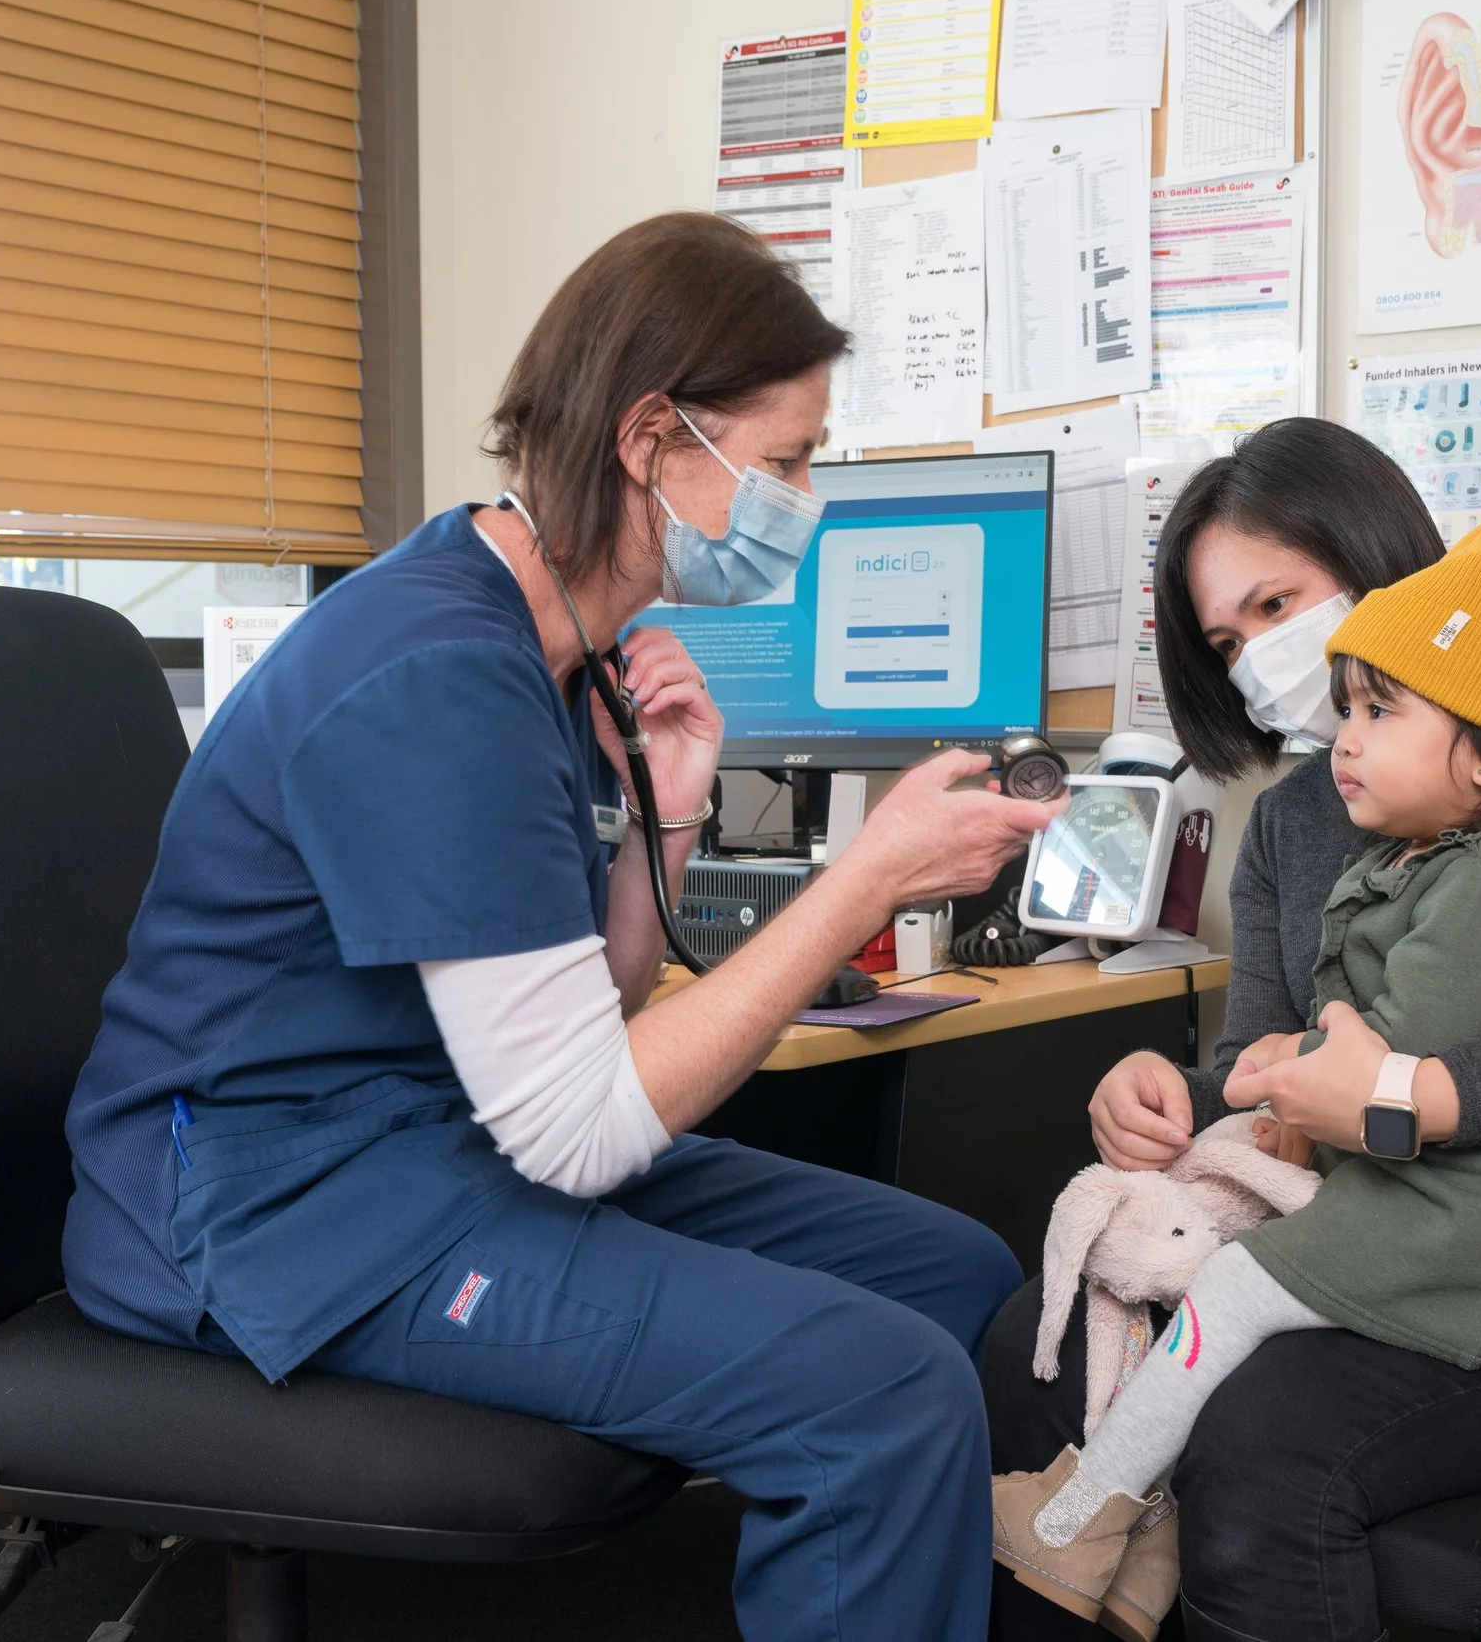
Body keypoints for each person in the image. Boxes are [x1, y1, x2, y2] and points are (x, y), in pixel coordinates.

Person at [59, 212, 1061, 1642]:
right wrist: (863, 878)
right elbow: (581, 1127)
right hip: (264, 1207)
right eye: (782, 460)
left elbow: (584, 1015)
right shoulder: (439, 673)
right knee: (879, 1392)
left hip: (433, 1145)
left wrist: (667, 817)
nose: (804, 500)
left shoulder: (545, 643)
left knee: (952, 1274)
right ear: (653, 439)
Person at [978, 420, 1481, 1642]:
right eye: (1227, 641)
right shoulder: (1299, 817)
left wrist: (1412, 1094)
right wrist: (1174, 1087)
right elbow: (1277, 1063)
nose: (1256, 658)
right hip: (1358, 1227)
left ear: (1378, 558)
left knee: (1261, 1451)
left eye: (1274, 603)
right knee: (1040, 1339)